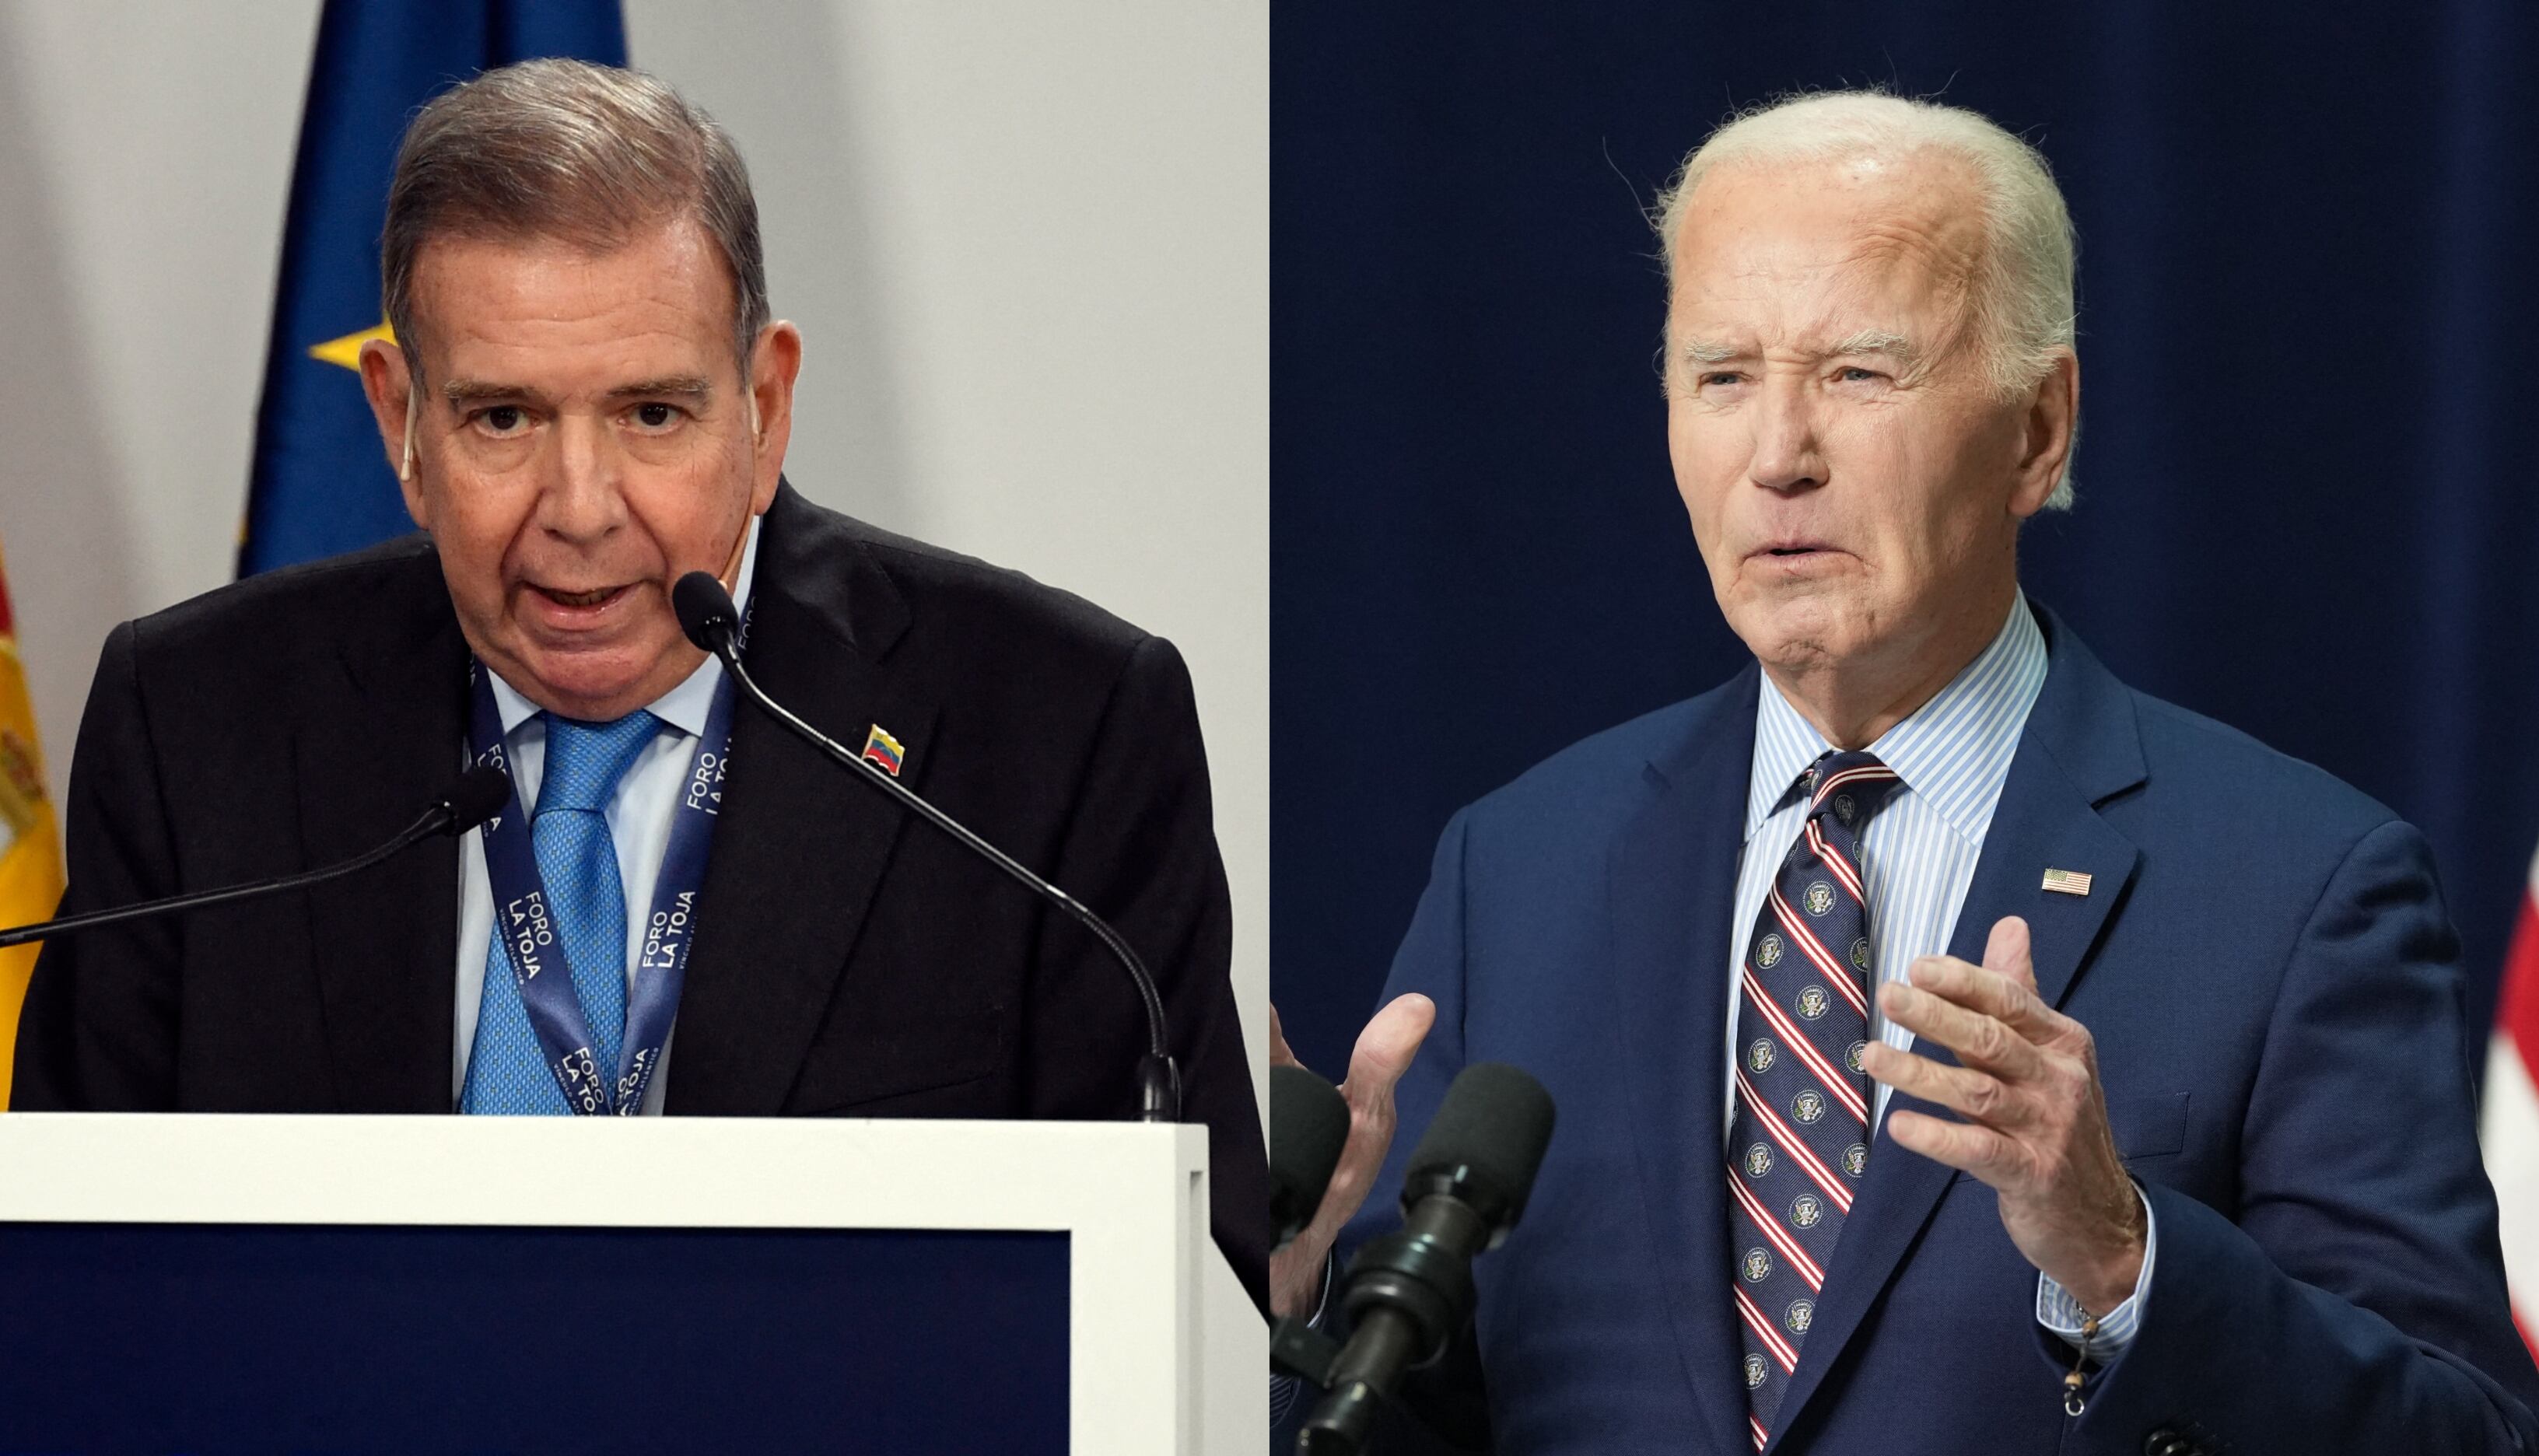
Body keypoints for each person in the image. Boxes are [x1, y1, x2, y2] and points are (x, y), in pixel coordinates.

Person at [1272, 91, 2539, 1453]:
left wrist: (2122, 1259)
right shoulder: (1517, 869)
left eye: (1860, 374)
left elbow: (2464, 1431)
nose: (1778, 457)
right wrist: (1287, 1311)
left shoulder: (2297, 886)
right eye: (1722, 377)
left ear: (2039, 430)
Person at [11, 59, 1266, 1308]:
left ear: (765, 410)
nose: (581, 510)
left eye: (653, 414)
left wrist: (1273, 1284)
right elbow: (67, 1292)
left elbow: (1173, 1311)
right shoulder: (199, 724)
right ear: (400, 420)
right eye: (502, 417)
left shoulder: (1053, 736)